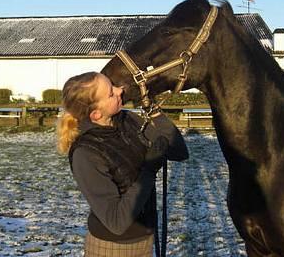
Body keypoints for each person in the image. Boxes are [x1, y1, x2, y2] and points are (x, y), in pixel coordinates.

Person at [57, 72, 188, 256]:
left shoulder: (129, 120)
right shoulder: (86, 153)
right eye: (111, 93)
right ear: (96, 113)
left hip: (145, 239)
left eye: (113, 85)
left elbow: (179, 152)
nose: (120, 90)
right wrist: (149, 169)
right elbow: (116, 222)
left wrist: (154, 112)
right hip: (112, 248)